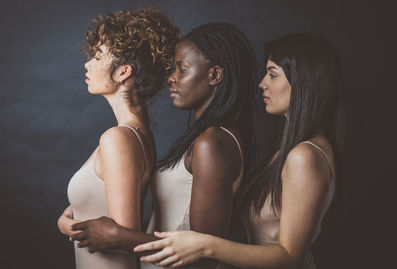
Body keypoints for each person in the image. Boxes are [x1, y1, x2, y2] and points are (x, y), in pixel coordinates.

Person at [134, 33, 346, 269]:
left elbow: (289, 257)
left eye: (273, 75)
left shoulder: (304, 156)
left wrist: (205, 245)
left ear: (305, 81)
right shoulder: (291, 151)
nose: (262, 83)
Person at [70, 23, 258, 269]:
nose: (171, 77)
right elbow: (177, 223)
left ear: (214, 75)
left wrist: (117, 235)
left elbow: (204, 253)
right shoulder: (204, 138)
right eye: (173, 69)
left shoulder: (213, 143)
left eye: (182, 69)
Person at [57, 8, 180, 269]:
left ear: (124, 72)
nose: (87, 63)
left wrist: (66, 225)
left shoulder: (119, 139)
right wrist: (68, 223)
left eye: (98, 55)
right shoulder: (135, 134)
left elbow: (120, 238)